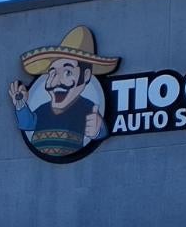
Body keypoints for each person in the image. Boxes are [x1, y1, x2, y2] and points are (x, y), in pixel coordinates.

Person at [8, 25, 120, 159]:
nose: (56, 82)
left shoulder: (87, 109)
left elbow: (98, 129)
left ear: (86, 75)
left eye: (67, 72)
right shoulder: (42, 110)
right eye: (53, 73)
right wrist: (20, 104)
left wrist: (97, 131)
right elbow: (28, 124)